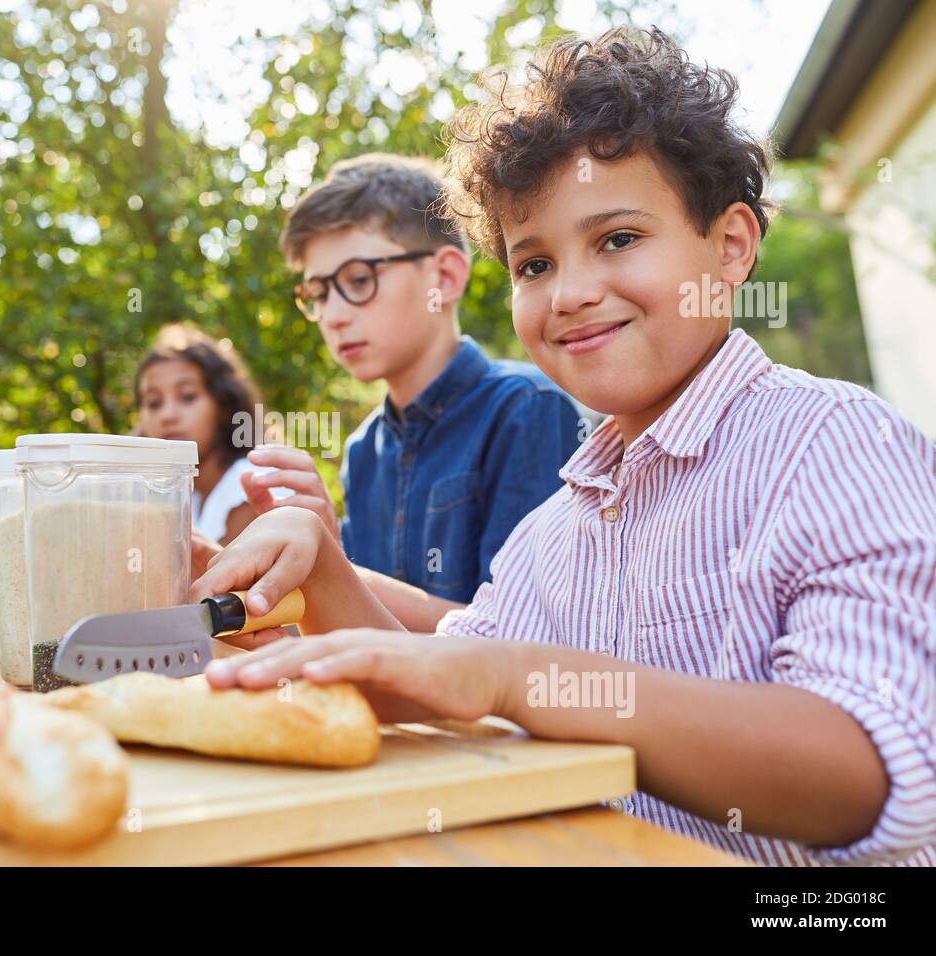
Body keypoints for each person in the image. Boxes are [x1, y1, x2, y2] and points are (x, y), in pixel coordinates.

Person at [191, 28, 936, 866]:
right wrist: (321, 568)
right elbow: (447, 688)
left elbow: (869, 774)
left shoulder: (838, 446)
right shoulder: (560, 525)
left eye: (618, 239)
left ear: (730, 246)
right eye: (534, 264)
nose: (573, 294)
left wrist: (524, 678)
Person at [239, 153, 580, 631]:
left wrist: (327, 567)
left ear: (443, 277)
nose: (334, 315)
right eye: (318, 294)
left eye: (357, 280)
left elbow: (513, 632)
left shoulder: (526, 409)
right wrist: (317, 555)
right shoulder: (364, 450)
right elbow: (359, 635)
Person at [135, 324, 263, 546]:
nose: (167, 415)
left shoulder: (249, 486)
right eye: (153, 403)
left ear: (223, 405)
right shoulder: (185, 495)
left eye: (187, 397)